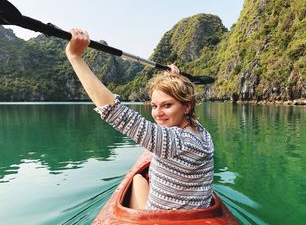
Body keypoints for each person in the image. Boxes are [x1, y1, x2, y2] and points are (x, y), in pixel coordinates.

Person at [66, 28, 214, 210]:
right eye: (154, 105)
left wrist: (75, 57)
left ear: (187, 106)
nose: (157, 113)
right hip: (195, 217)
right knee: (138, 179)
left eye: (167, 105)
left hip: (162, 223)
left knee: (137, 179)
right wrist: (174, 78)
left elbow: (114, 111)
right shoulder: (201, 133)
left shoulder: (175, 141)